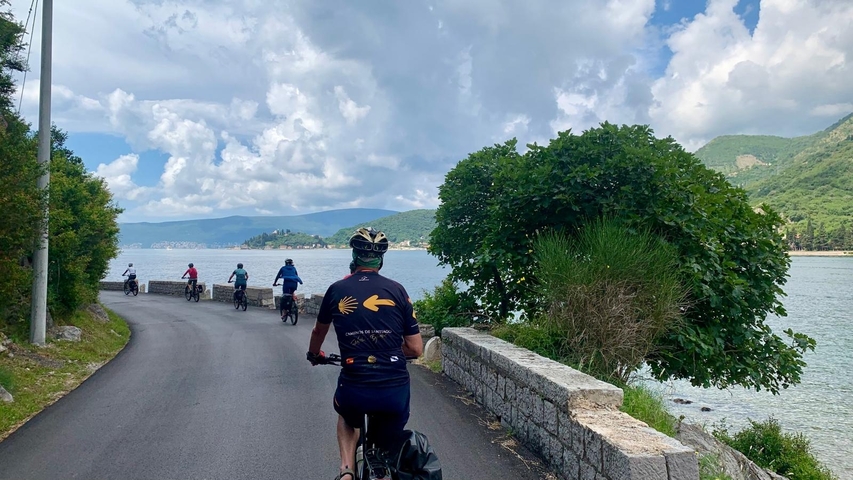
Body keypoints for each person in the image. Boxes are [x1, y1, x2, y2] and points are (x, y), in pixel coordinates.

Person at [307, 227, 424, 480]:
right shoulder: (398, 290)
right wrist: (390, 352)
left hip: (355, 386)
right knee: (389, 432)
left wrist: (314, 355)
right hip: (394, 389)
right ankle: (384, 464)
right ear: (381, 260)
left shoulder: (337, 290)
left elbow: (318, 331)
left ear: (354, 256)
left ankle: (347, 470)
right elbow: (416, 349)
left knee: (348, 416)